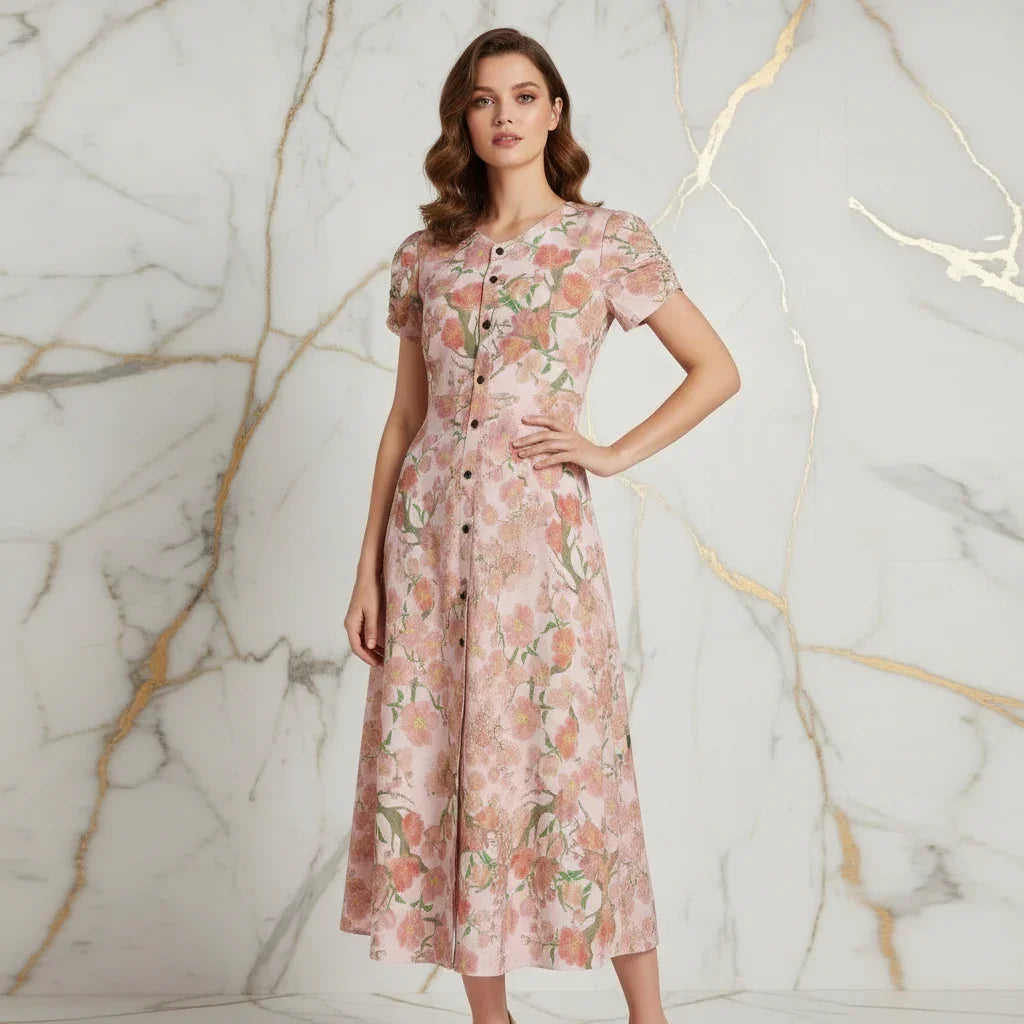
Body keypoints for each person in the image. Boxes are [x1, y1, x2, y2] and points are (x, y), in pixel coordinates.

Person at [340, 26, 740, 1024]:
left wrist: (605, 452)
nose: (504, 115)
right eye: (483, 100)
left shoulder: (606, 240)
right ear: (461, 120)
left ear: (554, 110)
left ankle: (648, 1017)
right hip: (428, 546)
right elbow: (403, 422)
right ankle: (490, 1015)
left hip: (539, 546)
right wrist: (367, 575)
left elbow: (716, 370)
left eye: (524, 96)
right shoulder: (425, 255)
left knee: (577, 762)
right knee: (449, 756)